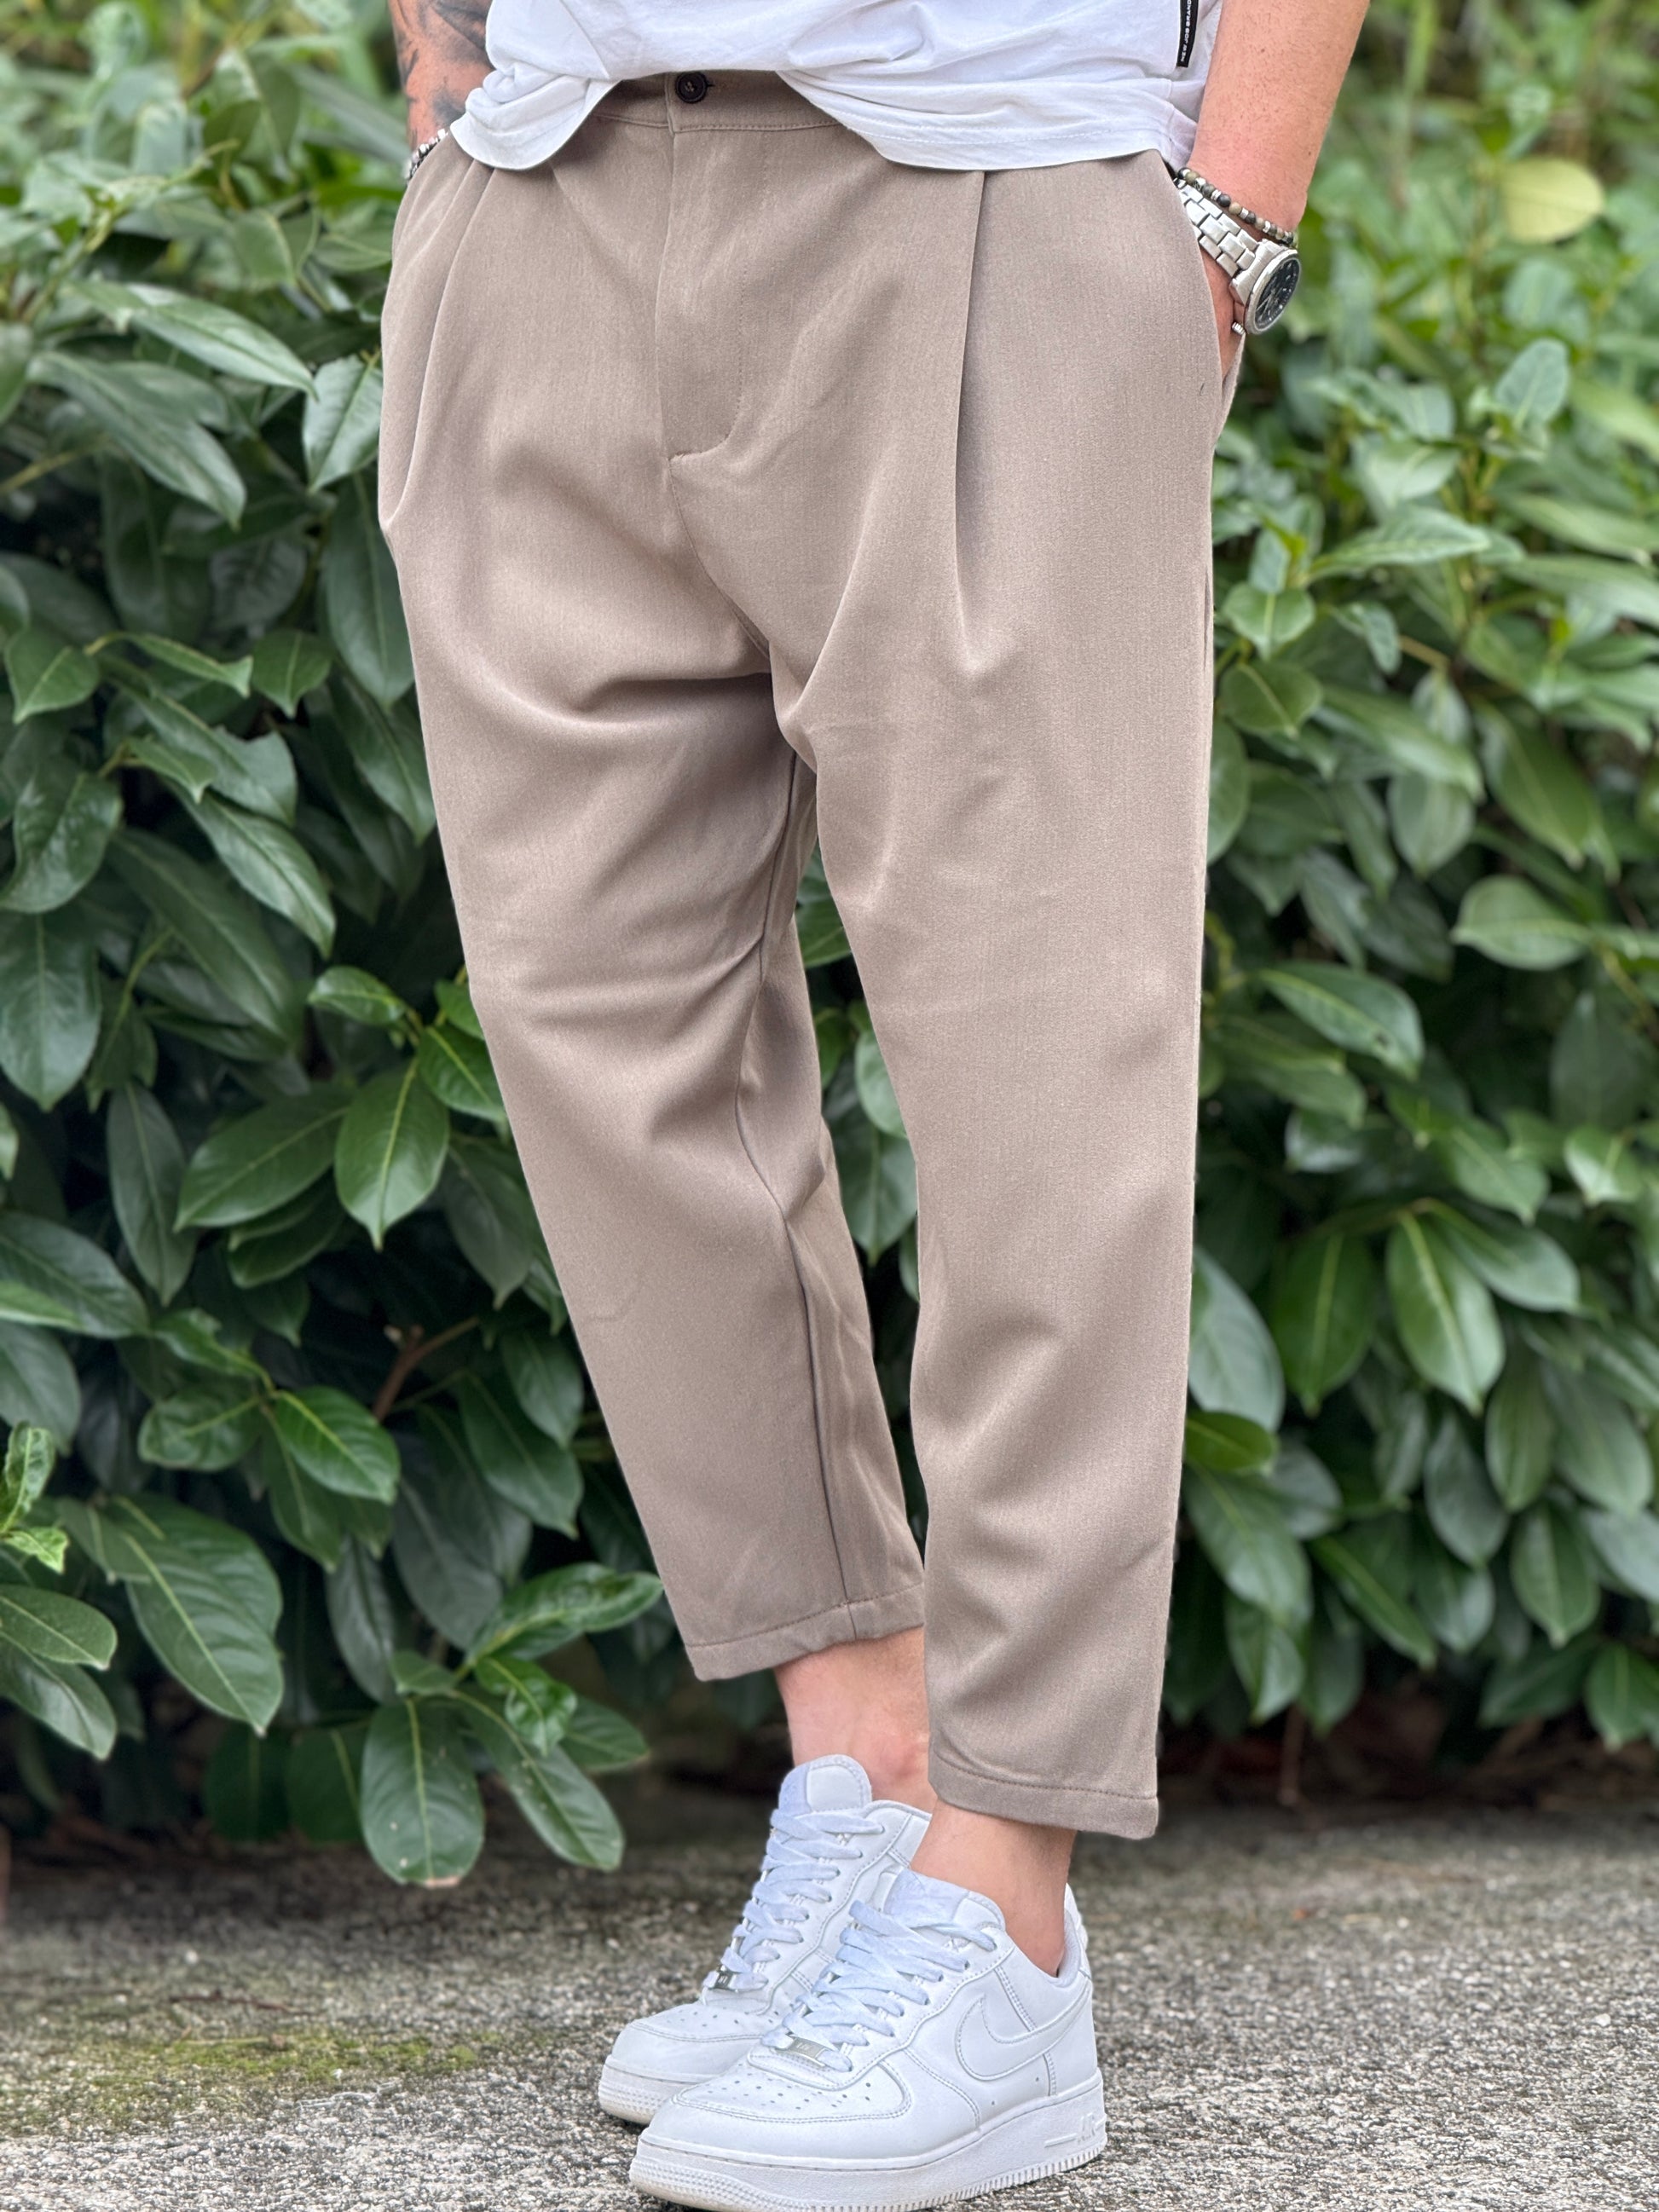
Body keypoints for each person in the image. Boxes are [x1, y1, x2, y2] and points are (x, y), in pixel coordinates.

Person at [383, 4, 1367, 2203]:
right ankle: (870, 1766)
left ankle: (1004, 1916)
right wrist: (446, 90)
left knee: (1041, 1063)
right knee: (598, 1020)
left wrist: (1225, 228)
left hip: (986, 176)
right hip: (544, 183)